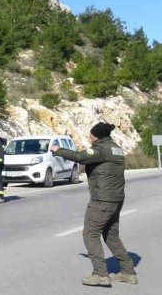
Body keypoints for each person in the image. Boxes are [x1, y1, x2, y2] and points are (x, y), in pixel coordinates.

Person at [51, 122, 138, 287]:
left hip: (102, 199)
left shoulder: (101, 149)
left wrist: (58, 150)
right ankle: (128, 272)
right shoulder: (115, 148)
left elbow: (80, 157)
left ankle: (100, 274)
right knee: (111, 236)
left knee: (90, 234)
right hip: (115, 198)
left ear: (96, 136)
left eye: (91, 135)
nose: (89, 137)